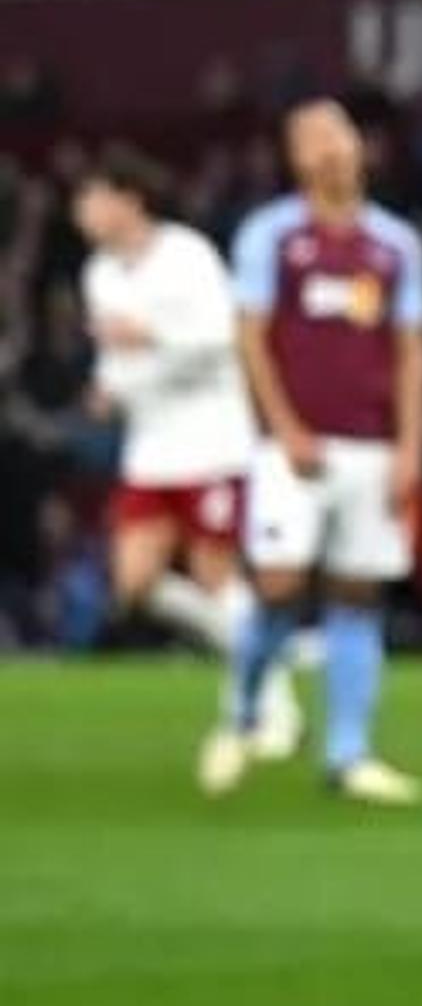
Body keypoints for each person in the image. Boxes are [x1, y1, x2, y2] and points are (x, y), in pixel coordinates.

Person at [217, 99, 422, 806]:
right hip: (292, 446)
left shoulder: (395, 245)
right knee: (279, 585)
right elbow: (250, 337)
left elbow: (410, 350)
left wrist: (410, 444)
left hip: (369, 446)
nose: (331, 150)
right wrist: (282, 428)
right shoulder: (271, 237)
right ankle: (244, 710)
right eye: (313, 139)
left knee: (357, 593)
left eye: (339, 135)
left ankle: (348, 754)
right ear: (296, 159)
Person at [73, 145, 298, 783]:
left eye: (91, 198)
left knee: (214, 574)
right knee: (134, 584)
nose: (81, 211)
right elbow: (116, 360)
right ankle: (260, 657)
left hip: (211, 443)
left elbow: (224, 338)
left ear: (127, 200)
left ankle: (271, 704)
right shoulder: (101, 275)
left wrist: (152, 337)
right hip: (150, 449)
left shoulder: (188, 257)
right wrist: (107, 387)